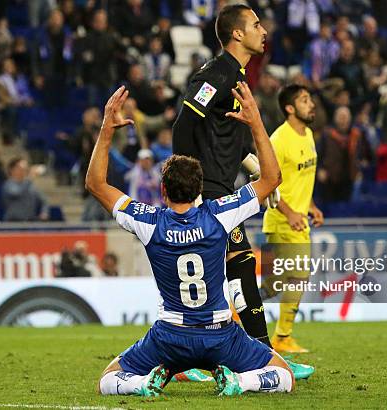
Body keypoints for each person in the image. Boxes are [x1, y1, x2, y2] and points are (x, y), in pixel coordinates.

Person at [87, 84, 297, 397]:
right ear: (200, 190)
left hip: (170, 336)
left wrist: (106, 129)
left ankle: (145, 384)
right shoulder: (219, 214)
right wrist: (255, 122)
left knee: (108, 380)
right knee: (284, 375)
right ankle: (240, 382)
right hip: (220, 336)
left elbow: (95, 184)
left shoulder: (149, 221)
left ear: (163, 192)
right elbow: (271, 178)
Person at [171, 2, 272, 350]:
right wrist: (188, 185)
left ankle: (195, 354)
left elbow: (237, 145)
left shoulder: (237, 77)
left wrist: (262, 176)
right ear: (237, 33)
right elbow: (185, 122)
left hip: (222, 187)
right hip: (208, 189)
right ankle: (264, 353)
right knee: (240, 264)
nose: (264, 31)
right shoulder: (218, 73)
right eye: (256, 24)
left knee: (231, 268)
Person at [260, 84, 324, 353]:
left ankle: (234, 311)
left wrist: (310, 205)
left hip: (298, 218)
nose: (311, 104)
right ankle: (282, 336)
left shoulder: (307, 134)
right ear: (290, 108)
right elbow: (267, 182)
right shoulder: (279, 140)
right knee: (297, 276)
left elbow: (298, 179)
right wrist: (289, 212)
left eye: (310, 99)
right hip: (281, 219)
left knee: (275, 285)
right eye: (304, 100)